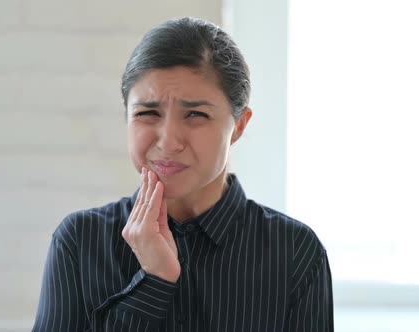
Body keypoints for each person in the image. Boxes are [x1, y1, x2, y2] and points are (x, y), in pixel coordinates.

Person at [32, 17, 333, 332]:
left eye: (196, 115)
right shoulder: (80, 241)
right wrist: (153, 281)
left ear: (239, 126)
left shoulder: (295, 251)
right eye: (148, 113)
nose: (169, 141)